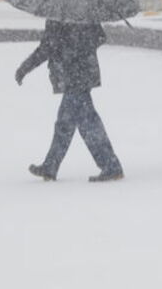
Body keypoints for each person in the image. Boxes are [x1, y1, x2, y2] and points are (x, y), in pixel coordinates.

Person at [15, 20, 124, 182]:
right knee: (66, 124)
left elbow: (46, 47)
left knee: (87, 123)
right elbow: (99, 36)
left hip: (74, 77)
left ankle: (110, 165)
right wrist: (80, 46)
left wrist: (25, 68)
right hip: (82, 74)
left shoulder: (58, 13)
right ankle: (51, 166)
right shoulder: (83, 10)